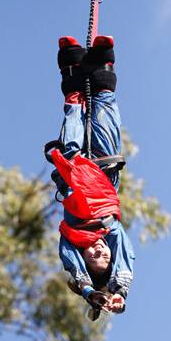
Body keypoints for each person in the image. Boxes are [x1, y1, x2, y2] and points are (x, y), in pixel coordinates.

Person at [50, 34, 135, 319]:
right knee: (104, 115)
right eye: (105, 256)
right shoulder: (111, 233)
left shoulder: (71, 240)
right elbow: (124, 261)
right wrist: (118, 292)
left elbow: (71, 264)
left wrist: (87, 290)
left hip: (75, 172)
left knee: (73, 118)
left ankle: (72, 69)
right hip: (103, 173)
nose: (100, 251)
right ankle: (102, 65)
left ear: (84, 259)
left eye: (94, 257)